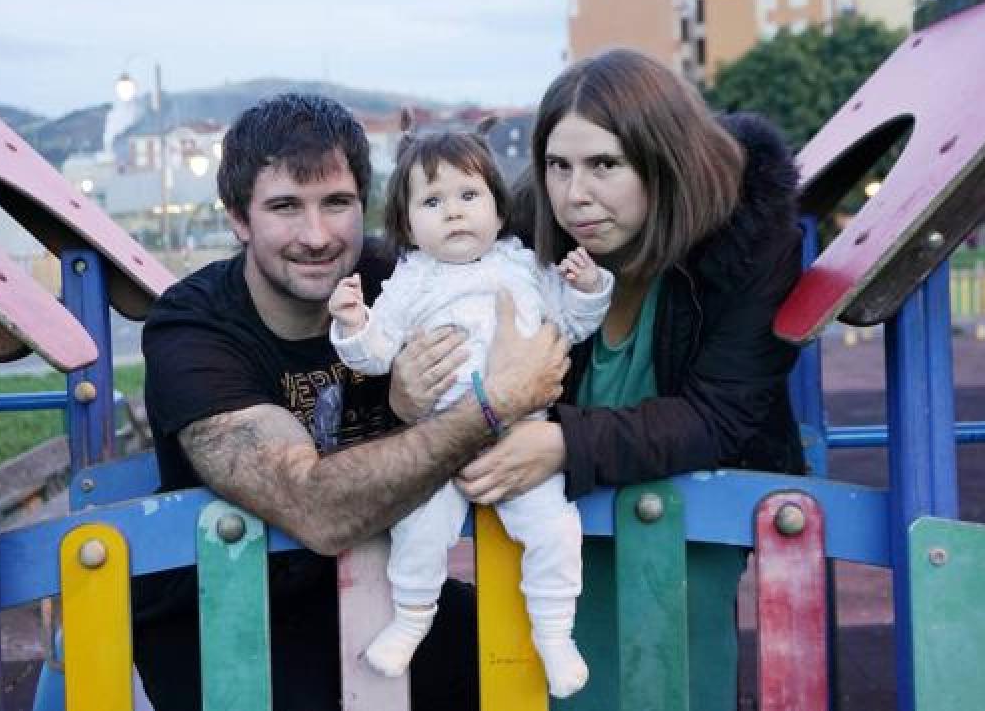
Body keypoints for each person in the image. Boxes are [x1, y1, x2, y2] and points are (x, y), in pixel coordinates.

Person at [131, 93, 570, 711]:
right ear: (238, 218)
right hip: (223, 610)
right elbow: (311, 507)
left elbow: (538, 324)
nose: (315, 236)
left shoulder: (407, 280)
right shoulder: (194, 327)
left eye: (336, 204)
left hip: (378, 586)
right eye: (285, 206)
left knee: (518, 663)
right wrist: (488, 406)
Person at [449, 48, 807, 709]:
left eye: (604, 165)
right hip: (552, 524)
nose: (575, 194)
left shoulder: (745, 238)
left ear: (662, 161)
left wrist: (562, 442)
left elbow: (721, 414)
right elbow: (427, 273)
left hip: (687, 513)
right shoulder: (531, 227)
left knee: (670, 682)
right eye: (559, 165)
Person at [327, 123, 612, 698]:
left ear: (498, 208)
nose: (453, 213)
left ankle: (554, 633)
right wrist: (353, 324)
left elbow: (572, 326)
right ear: (407, 224)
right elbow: (378, 353)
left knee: (555, 530)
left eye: (468, 196)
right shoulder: (411, 282)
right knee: (419, 527)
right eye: (432, 201)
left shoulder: (524, 267)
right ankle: (411, 617)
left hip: (522, 439)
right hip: (442, 438)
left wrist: (587, 288)